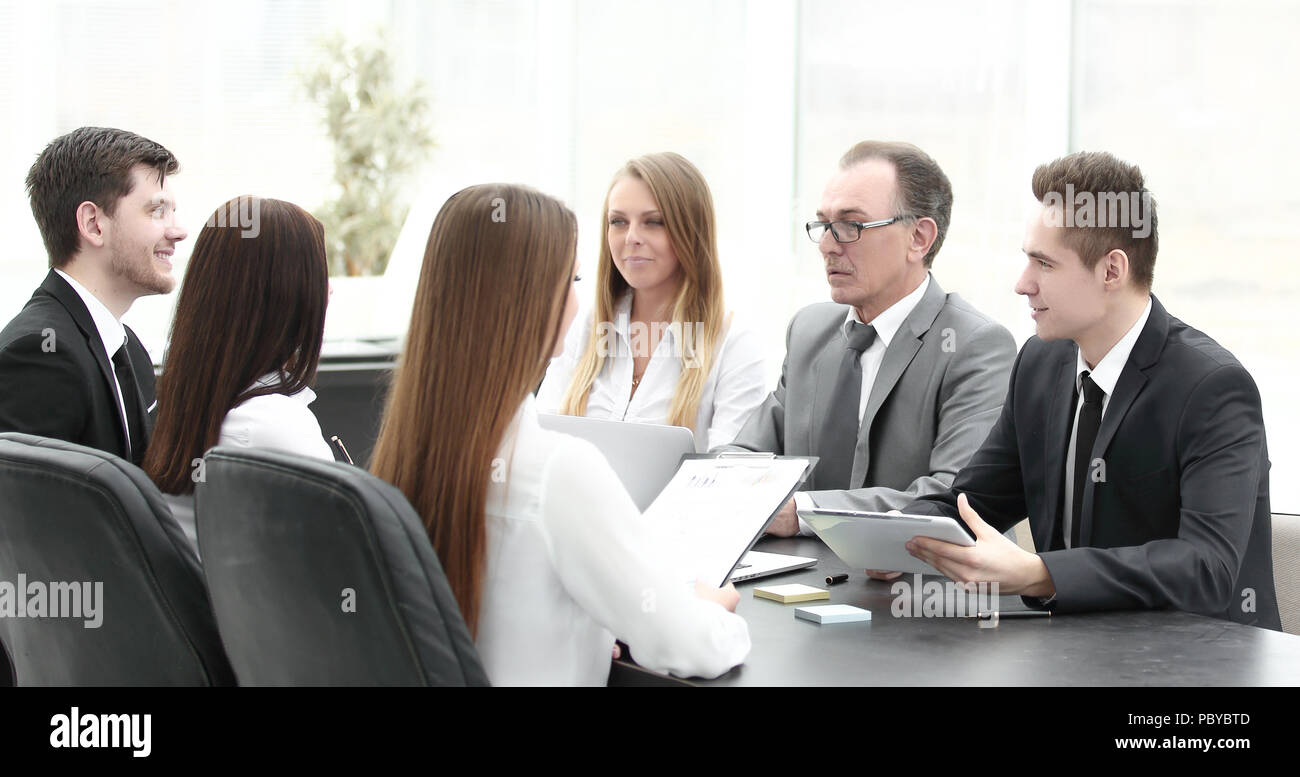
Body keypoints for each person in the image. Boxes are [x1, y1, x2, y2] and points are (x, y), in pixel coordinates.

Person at [370, 183, 750, 685]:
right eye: (568, 280)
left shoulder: (403, 452)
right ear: (528, 300)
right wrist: (711, 612)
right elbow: (690, 646)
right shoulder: (558, 470)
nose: (578, 303)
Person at [903, 151, 1280, 630]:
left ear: (1111, 271)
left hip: (1197, 663)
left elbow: (1207, 569)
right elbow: (974, 500)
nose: (1023, 284)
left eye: (1044, 263)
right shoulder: (1041, 364)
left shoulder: (1213, 389)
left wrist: (1041, 574)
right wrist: (900, 533)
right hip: (1073, 649)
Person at [722, 141, 1016, 551]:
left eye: (851, 226)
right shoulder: (810, 330)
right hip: (804, 582)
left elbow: (952, 497)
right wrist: (716, 481)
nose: (827, 244)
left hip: (922, 595)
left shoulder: (975, 346)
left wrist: (802, 511)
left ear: (919, 237)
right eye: (823, 224)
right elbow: (749, 452)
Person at [537, 152, 766, 451]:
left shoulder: (733, 343)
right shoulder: (584, 325)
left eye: (653, 222)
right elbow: (542, 443)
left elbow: (728, 473)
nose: (631, 237)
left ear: (691, 233)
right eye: (618, 221)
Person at [142, 197, 333, 547]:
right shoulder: (271, 424)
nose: (329, 289)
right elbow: (348, 557)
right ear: (288, 294)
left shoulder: (191, 402)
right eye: (321, 274)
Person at [0, 127, 187, 465]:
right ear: (93, 224)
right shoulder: (41, 353)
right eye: (157, 211)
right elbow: (30, 512)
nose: (177, 230)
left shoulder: (126, 347)